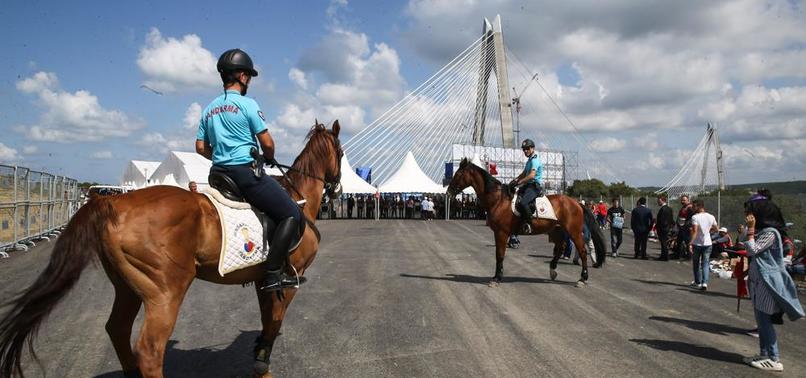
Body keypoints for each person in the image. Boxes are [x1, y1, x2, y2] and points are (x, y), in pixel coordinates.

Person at [196, 48, 302, 292]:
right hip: (245, 174)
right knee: (291, 214)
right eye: (249, 77)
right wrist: (269, 157)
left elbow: (201, 147)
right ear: (242, 76)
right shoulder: (247, 104)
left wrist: (221, 156)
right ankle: (273, 273)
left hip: (218, 175)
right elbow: (267, 142)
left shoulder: (209, 109)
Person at [742, 196, 804, 371]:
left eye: (750, 212)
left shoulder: (770, 233)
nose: (748, 216)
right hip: (758, 281)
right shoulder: (762, 231)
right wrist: (749, 229)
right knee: (760, 321)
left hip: (766, 283)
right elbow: (747, 243)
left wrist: (751, 229)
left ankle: (773, 358)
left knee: (764, 321)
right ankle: (764, 354)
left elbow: (752, 249)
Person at [509, 139, 543, 233]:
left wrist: (520, 182)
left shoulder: (535, 160)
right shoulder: (529, 161)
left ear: (532, 148)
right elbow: (524, 173)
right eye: (524, 149)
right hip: (527, 185)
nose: (525, 151)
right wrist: (514, 180)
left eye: (527, 149)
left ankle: (530, 224)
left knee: (523, 203)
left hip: (534, 186)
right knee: (513, 198)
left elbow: (531, 175)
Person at [672, 195, 694, 259]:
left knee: (687, 242)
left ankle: (689, 256)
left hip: (686, 228)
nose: (682, 201)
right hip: (681, 228)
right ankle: (678, 254)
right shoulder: (683, 208)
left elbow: (691, 219)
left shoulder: (690, 208)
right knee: (679, 241)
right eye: (682, 200)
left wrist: (688, 226)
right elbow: (679, 217)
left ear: (688, 200)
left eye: (684, 200)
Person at [655, 194, 674, 261]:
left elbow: (662, 220)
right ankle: (663, 256)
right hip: (667, 228)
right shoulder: (669, 209)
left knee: (663, 243)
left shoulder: (663, 209)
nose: (658, 202)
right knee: (664, 243)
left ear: (663, 201)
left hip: (662, 228)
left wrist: (658, 227)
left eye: (659, 201)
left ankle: (665, 256)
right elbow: (671, 219)